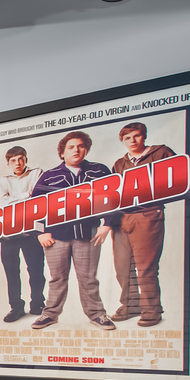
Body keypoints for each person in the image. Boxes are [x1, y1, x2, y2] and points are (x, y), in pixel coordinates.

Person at [32, 130, 118, 331]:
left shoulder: (100, 171)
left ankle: (97, 314)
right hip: (55, 237)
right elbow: (34, 207)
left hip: (87, 235)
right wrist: (41, 232)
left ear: (86, 149)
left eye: (80, 146)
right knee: (57, 278)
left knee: (88, 278)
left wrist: (107, 224)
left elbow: (115, 197)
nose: (76, 150)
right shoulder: (49, 176)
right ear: (62, 152)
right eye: (71, 147)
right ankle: (50, 314)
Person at [109, 122, 176, 327]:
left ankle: (151, 309)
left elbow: (176, 176)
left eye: (136, 136)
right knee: (122, 267)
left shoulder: (161, 152)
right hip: (122, 217)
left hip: (147, 214)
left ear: (144, 136)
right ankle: (130, 305)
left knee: (145, 267)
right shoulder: (120, 163)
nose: (132, 141)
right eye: (127, 138)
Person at [0, 145, 45, 322]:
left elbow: (39, 197)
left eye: (20, 159)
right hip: (10, 229)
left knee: (36, 268)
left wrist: (15, 199)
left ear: (26, 159)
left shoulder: (37, 172)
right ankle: (16, 307)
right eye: (13, 160)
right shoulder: (4, 180)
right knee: (11, 271)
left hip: (33, 228)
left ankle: (38, 304)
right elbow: (3, 203)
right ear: (8, 163)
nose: (17, 163)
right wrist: (26, 195)